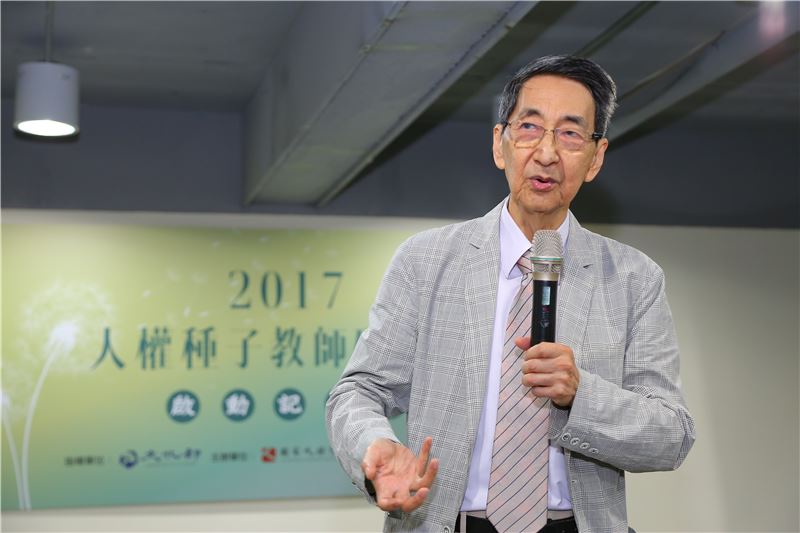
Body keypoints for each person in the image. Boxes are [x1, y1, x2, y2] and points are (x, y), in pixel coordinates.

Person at [326, 55, 695, 533]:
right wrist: (373, 446)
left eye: (570, 133)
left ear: (596, 157)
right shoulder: (425, 261)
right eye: (529, 128)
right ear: (500, 144)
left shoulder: (634, 279)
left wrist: (581, 395)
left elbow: (671, 435)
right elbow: (358, 391)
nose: (547, 152)